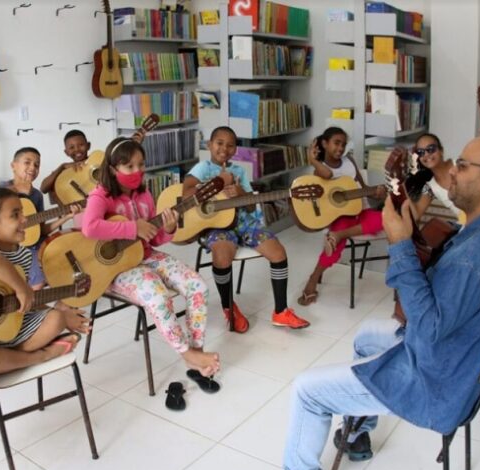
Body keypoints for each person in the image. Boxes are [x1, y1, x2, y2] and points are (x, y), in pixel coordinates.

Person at [240, 136, 480, 470]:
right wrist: (409, 231)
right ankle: (358, 435)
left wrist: (399, 244)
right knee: (366, 336)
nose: (451, 173)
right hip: (459, 360)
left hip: (437, 381)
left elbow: (425, 326)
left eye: (461, 165)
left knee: (307, 390)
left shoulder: (476, 257)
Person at [81, 136, 220, 377]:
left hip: (146, 255)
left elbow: (153, 239)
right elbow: (90, 227)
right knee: (159, 297)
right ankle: (186, 353)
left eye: (141, 164)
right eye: (130, 166)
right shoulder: (100, 195)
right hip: (116, 269)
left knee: (198, 286)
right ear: (114, 169)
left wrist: (168, 229)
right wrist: (133, 228)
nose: (138, 171)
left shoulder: (144, 195)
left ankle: (197, 351)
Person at [182, 126, 310, 333]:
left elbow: (251, 206)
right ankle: (228, 307)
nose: (224, 148)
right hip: (214, 226)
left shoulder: (239, 171)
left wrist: (241, 193)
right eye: (219, 143)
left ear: (235, 150)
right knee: (222, 256)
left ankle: (280, 311)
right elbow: (186, 194)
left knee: (278, 252)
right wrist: (217, 184)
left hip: (244, 224)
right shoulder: (202, 169)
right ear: (209, 145)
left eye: (230, 145)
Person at [0, 188, 83, 394]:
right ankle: (43, 355)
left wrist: (61, 312)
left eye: (22, 213)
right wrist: (21, 287)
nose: (25, 220)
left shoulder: (24, 255)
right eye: (15, 215)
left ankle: (3, 363)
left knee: (57, 319)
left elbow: (24, 301)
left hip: (11, 328)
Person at [298, 127, 386, 306]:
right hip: (339, 216)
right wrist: (313, 160)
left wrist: (375, 193)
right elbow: (327, 175)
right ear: (324, 143)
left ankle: (339, 235)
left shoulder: (350, 161)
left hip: (361, 211)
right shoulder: (320, 169)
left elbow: (363, 187)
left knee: (384, 219)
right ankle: (312, 280)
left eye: (343, 144)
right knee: (335, 249)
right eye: (336, 143)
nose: (340, 148)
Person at [3, 147, 80, 289]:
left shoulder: (37, 195)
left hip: (35, 245)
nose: (32, 167)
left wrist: (66, 216)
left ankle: (64, 304)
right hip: (14, 248)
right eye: (27, 162)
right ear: (13, 165)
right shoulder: (1, 191)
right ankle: (31, 305)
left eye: (37, 164)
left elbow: (41, 230)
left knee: (70, 258)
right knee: (39, 276)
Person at [407, 133, 463, 221]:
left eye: (431, 149)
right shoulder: (430, 188)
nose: (426, 154)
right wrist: (399, 184)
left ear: (441, 151)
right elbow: (416, 215)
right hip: (470, 227)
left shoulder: (461, 165)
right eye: (420, 152)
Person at [40, 130, 91, 206]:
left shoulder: (97, 163)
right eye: (71, 147)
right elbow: (43, 188)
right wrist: (62, 166)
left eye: (81, 145)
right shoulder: (64, 171)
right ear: (66, 152)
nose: (77, 149)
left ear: (88, 146)